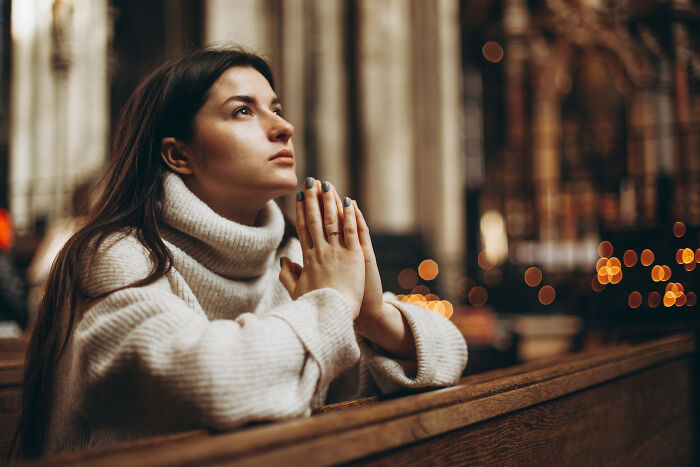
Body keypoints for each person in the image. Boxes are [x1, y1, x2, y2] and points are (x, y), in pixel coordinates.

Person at [10, 48, 467, 461]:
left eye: (277, 109)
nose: (283, 127)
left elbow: (448, 354)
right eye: (243, 111)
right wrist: (332, 307)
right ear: (179, 154)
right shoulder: (117, 254)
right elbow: (211, 382)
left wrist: (371, 315)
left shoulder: (291, 255)